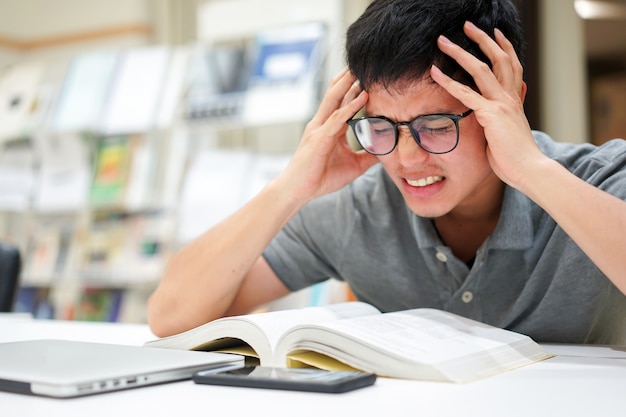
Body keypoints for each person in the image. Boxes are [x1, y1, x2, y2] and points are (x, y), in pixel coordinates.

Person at [148, 0, 626, 344]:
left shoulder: (594, 181)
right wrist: (291, 186)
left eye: (435, 126)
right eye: (381, 126)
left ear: (506, 103)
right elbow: (172, 316)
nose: (405, 158)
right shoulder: (357, 207)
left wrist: (531, 170)